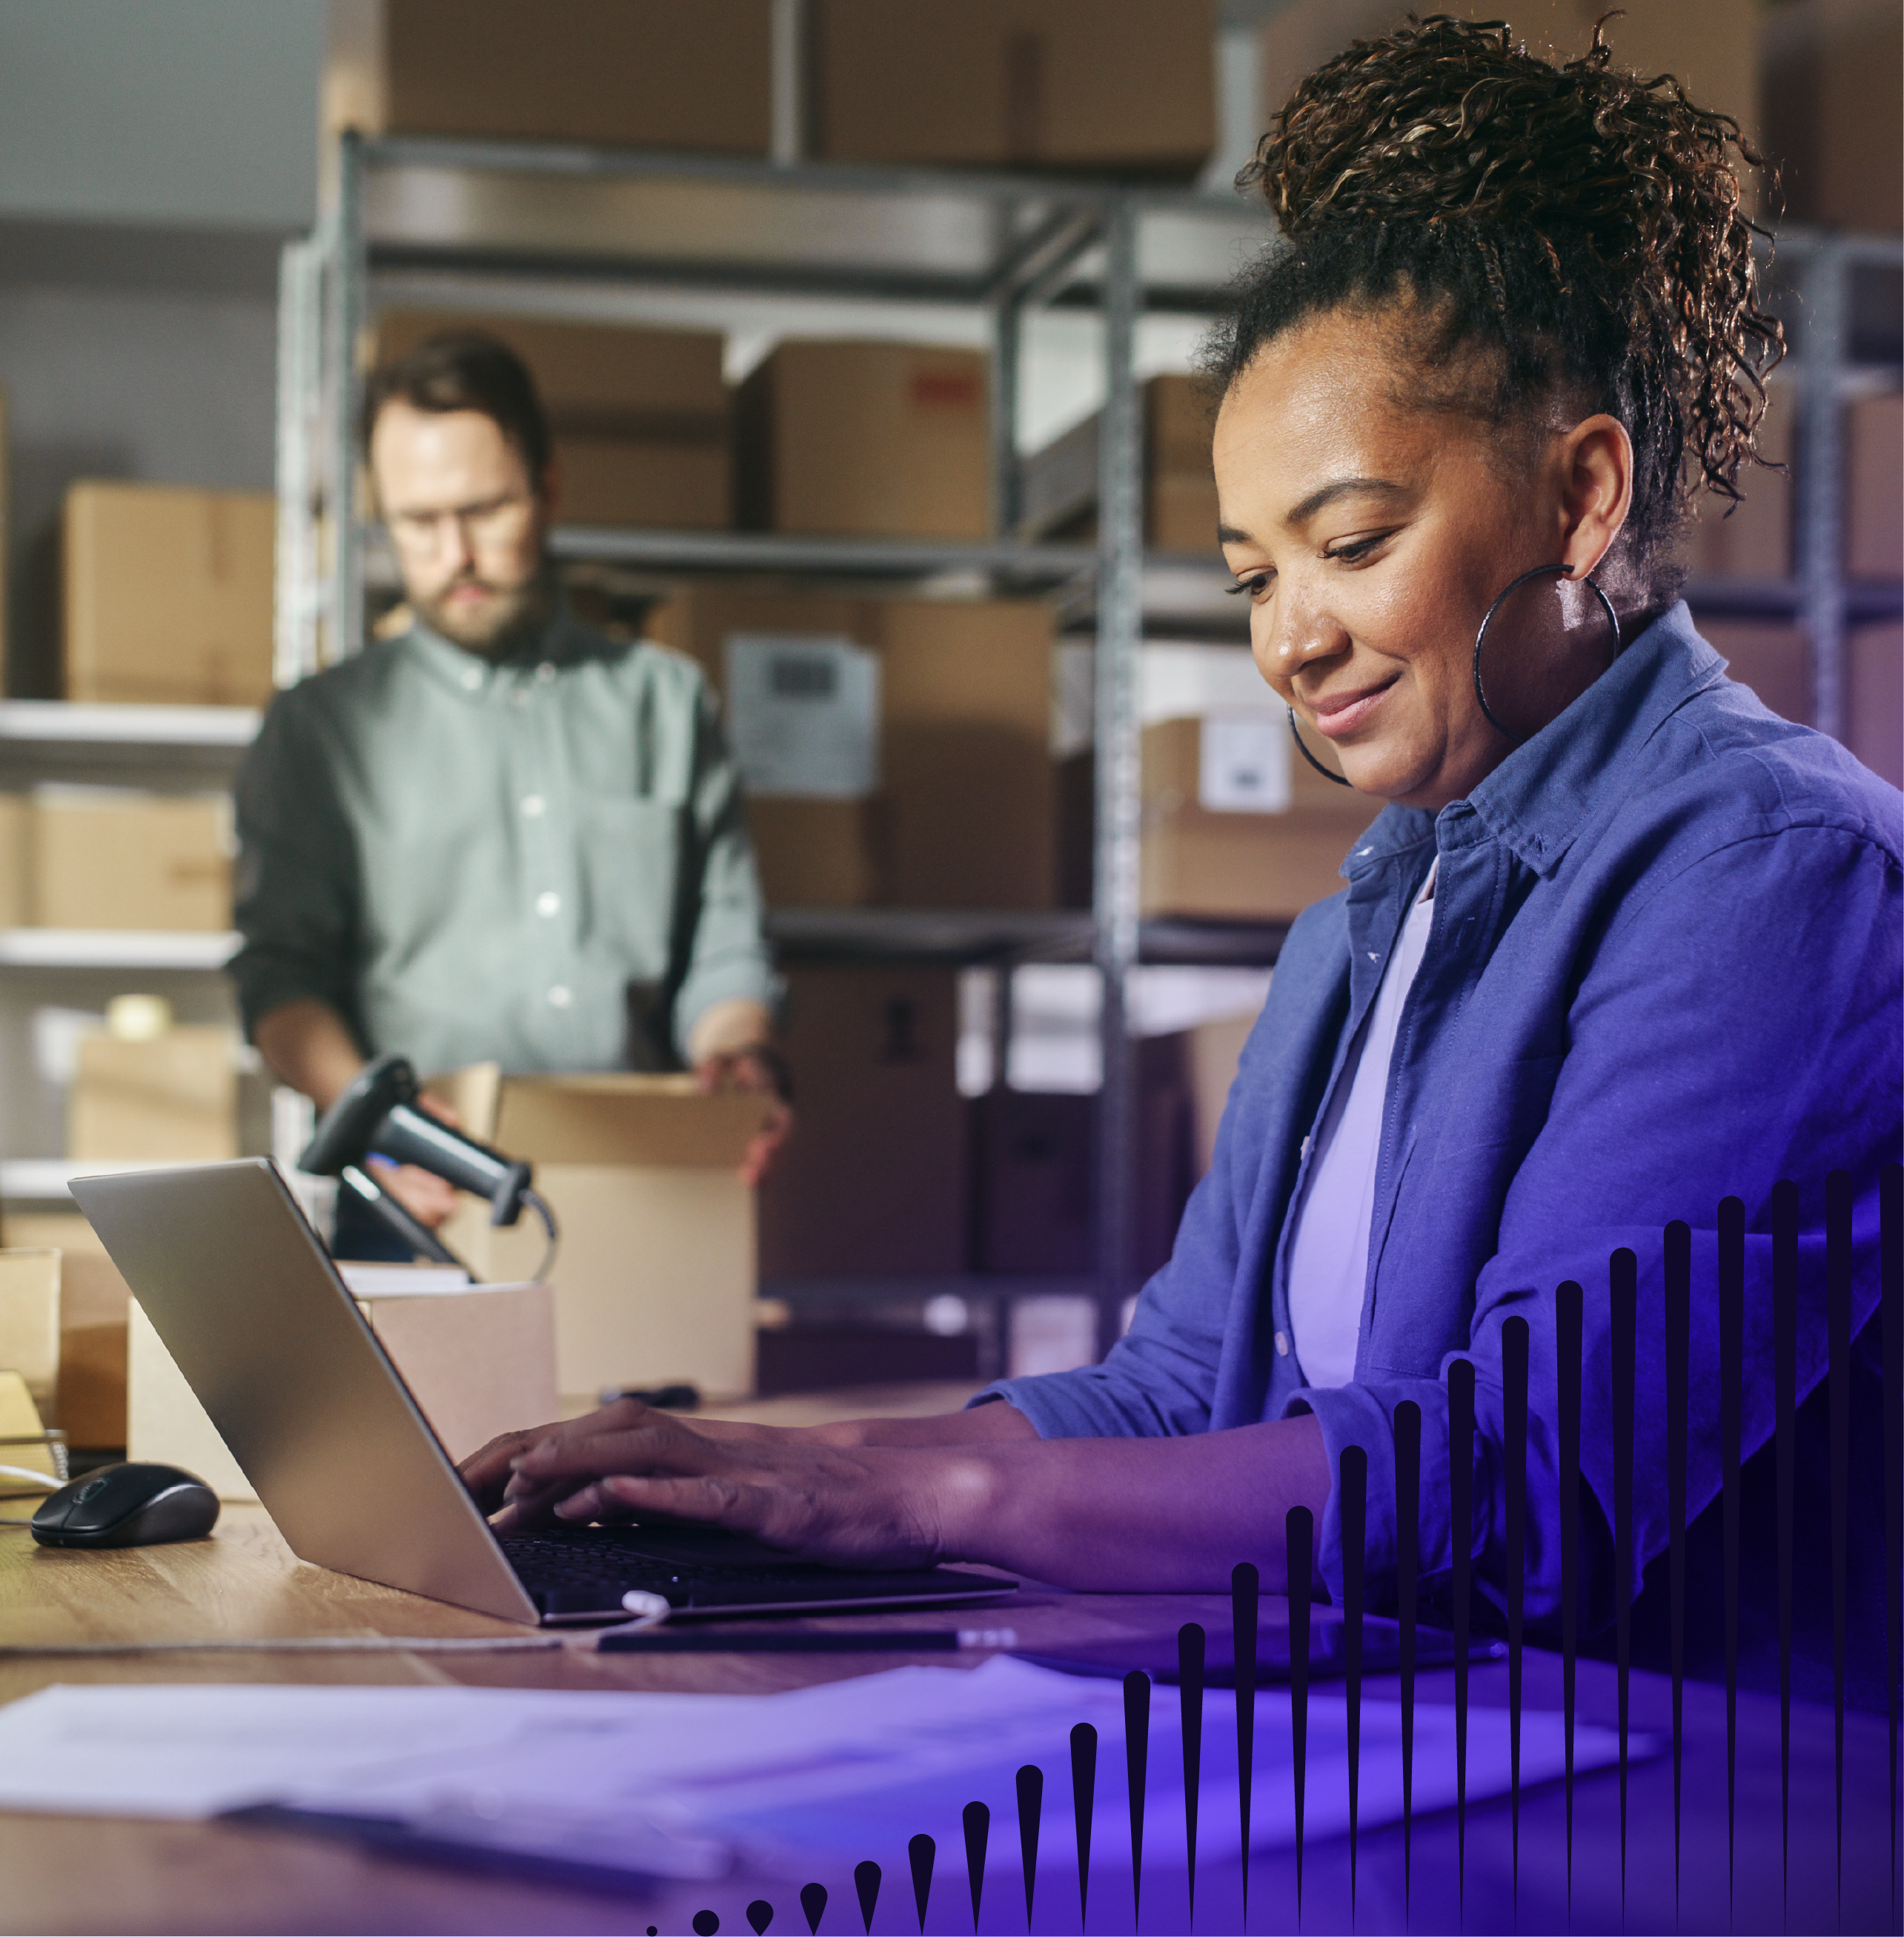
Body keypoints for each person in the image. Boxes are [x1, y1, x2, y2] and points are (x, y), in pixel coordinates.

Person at [462, 20, 1902, 1699]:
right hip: (1407, 1739)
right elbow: (1178, 1387)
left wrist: (922, 1491)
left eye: (1351, 543)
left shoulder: (1774, 876)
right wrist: (777, 1463)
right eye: (1249, 576)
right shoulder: (1375, 912)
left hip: (1690, 1814)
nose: (1290, 638)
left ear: (1583, 493)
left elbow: (1519, 1478)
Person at [232, 332, 789, 1246]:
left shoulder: (667, 702)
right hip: (425, 1205)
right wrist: (378, 1119)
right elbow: (280, 981)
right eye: (417, 522)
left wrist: (739, 1056)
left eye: (484, 510)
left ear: (549, 489)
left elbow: (726, 950)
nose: (454, 554)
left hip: (646, 1202)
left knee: (664, 1397)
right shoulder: (317, 730)